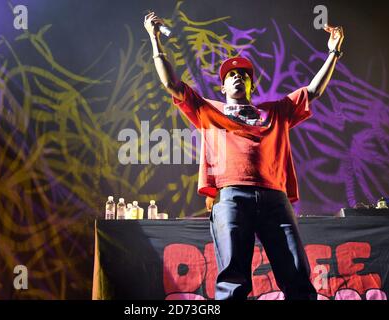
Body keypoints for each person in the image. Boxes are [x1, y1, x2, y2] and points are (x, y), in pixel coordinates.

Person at [144, 11, 344, 300]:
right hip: (231, 197)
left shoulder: (276, 111)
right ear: (223, 87)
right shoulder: (207, 109)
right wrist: (154, 39)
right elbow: (172, 85)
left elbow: (313, 91)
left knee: (297, 277)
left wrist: (334, 52)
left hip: (275, 199)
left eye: (244, 75)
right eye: (231, 75)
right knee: (233, 279)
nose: (238, 77)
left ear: (251, 86)